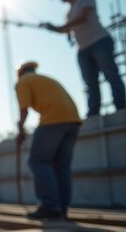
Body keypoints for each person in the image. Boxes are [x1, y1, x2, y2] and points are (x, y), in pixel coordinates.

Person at [41, 0, 125, 117]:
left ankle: (121, 106)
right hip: (83, 49)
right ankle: (93, 112)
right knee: (90, 82)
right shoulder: (68, 14)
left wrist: (61, 27)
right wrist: (53, 28)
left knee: (111, 74)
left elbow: (84, 16)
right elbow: (67, 30)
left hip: (100, 41)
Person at [15, 61, 82, 220]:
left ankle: (50, 206)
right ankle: (62, 208)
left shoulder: (22, 82)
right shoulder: (47, 79)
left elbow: (24, 109)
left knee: (38, 161)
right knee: (61, 166)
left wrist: (21, 129)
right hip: (73, 120)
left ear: (20, 74)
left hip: (53, 120)